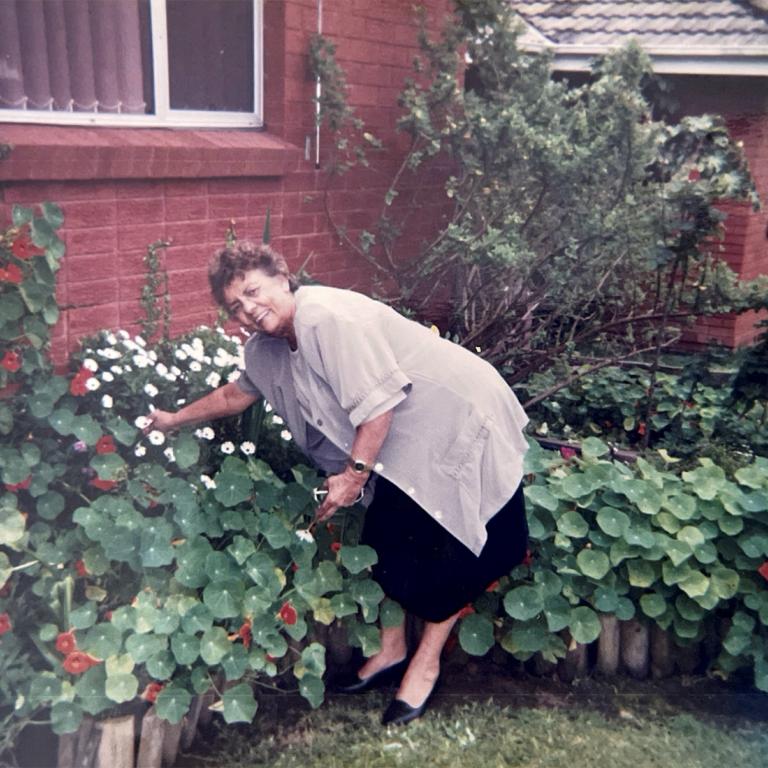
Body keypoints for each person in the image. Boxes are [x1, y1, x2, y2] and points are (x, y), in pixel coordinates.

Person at [145, 242, 530, 726]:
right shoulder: (266, 349)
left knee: (449, 542)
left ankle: (424, 664)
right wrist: (172, 419)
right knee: (386, 543)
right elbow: (233, 395)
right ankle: (391, 650)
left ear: (283, 278)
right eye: (235, 306)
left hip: (454, 414)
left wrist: (353, 476)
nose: (247, 309)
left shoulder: (324, 317)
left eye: (252, 291)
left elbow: (379, 407)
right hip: (401, 440)